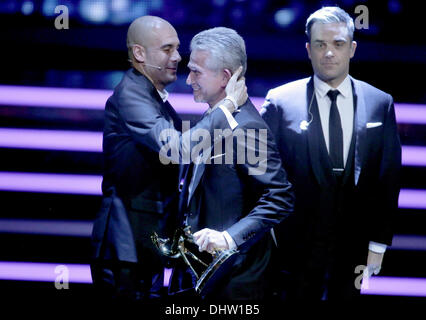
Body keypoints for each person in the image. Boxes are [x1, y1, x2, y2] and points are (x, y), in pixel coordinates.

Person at [90, 16, 247, 301]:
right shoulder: (132, 96)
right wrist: (227, 106)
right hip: (125, 247)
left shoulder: (152, 97)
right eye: (167, 49)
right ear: (140, 53)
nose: (177, 57)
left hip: (142, 247)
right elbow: (177, 148)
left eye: (177, 48)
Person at [261, 6, 401, 300]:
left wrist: (377, 245)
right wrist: (268, 236)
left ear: (352, 48)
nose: (328, 53)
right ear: (308, 49)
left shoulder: (380, 102)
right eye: (320, 45)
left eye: (337, 44)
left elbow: (388, 178)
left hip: (355, 242)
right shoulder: (281, 100)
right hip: (292, 244)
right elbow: (261, 172)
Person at [170, 27, 294, 300]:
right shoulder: (216, 118)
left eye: (196, 72)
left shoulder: (247, 127)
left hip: (235, 280)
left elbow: (280, 197)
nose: (188, 78)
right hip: (202, 274)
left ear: (225, 77)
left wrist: (229, 238)